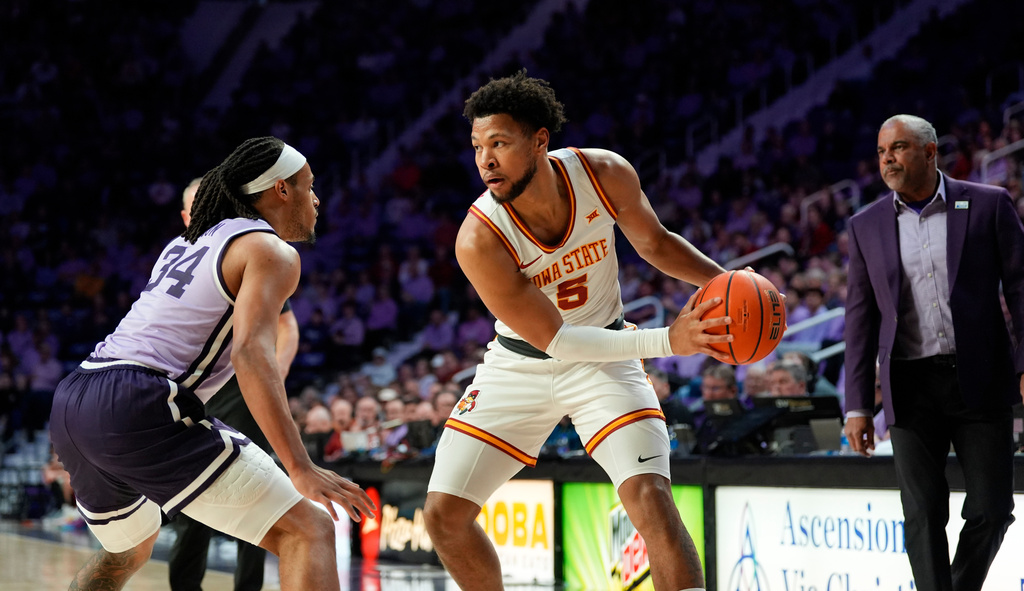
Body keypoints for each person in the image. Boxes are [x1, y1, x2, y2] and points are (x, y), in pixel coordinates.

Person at [423, 70, 733, 591]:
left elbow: (655, 244)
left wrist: (730, 281)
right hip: (521, 364)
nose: (485, 160)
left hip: (606, 357)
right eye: (477, 146)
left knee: (652, 498)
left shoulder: (603, 173)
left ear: (540, 140)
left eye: (499, 142)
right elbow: (558, 340)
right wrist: (667, 341)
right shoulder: (478, 238)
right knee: (442, 515)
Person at [48, 137, 375, 591]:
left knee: (125, 553)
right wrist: (299, 466)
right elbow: (249, 353)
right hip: (140, 401)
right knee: (310, 529)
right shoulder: (271, 251)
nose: (317, 198)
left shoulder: (185, 242)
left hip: (75, 399)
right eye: (309, 185)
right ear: (281, 189)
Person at [843, 114, 1024, 591]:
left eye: (899, 148)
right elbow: (860, 319)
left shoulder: (988, 204)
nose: (888, 159)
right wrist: (858, 404)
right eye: (882, 152)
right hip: (908, 385)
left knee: (993, 509)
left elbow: (1021, 290)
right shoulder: (866, 226)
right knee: (922, 514)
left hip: (980, 378)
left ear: (930, 152)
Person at [168, 176, 301, 591]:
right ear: (187, 215)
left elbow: (287, 326)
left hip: (243, 393)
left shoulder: (245, 253)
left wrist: (271, 377)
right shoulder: (175, 258)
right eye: (197, 206)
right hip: (193, 393)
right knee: (192, 505)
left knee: (259, 494)